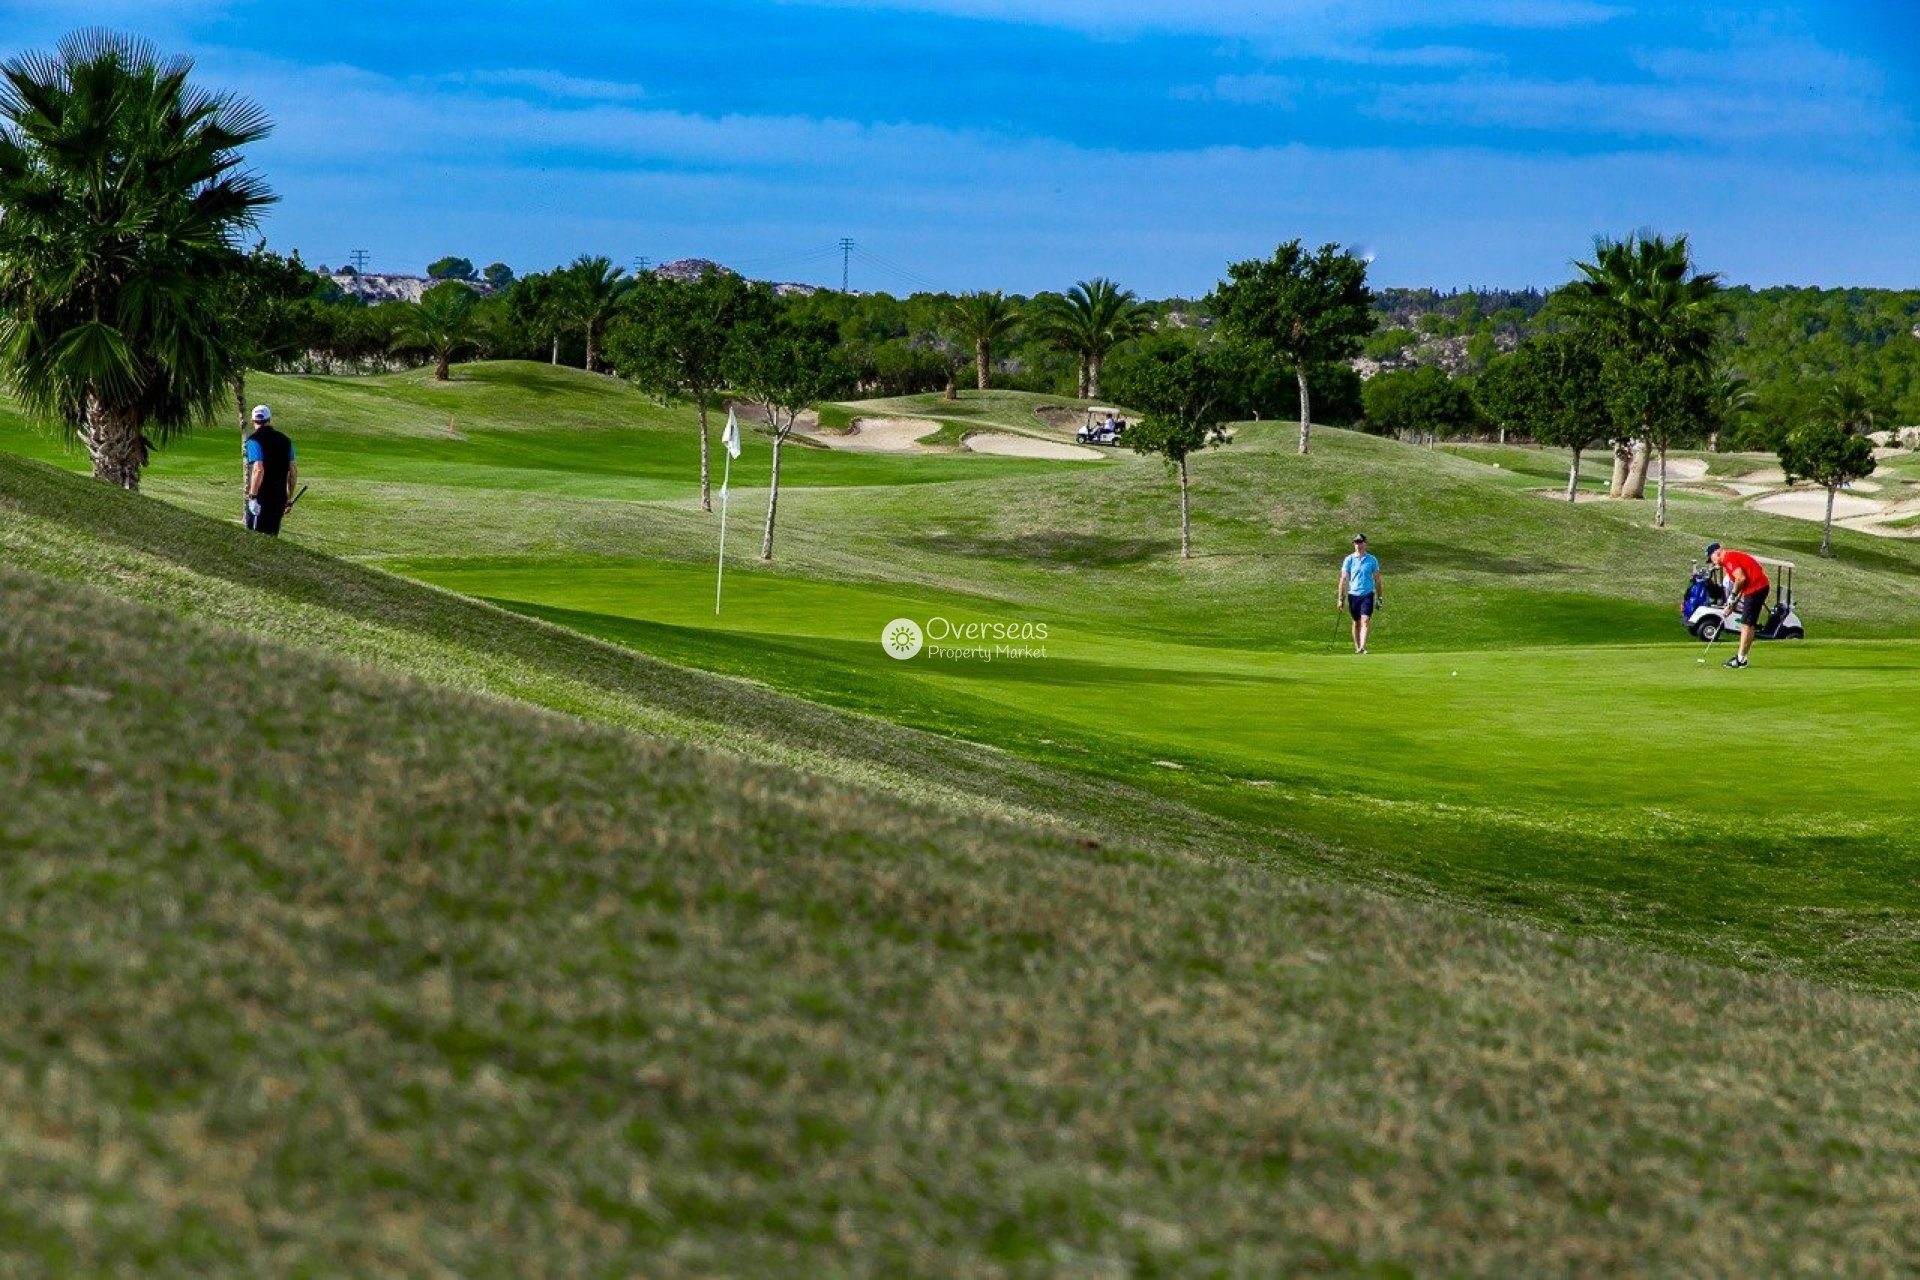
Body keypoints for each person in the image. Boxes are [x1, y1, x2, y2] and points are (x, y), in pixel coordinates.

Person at [1707, 541, 1768, 669]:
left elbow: (1741, 579)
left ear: (1716, 553)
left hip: (1756, 588)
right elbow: (1741, 583)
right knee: (1748, 624)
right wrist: (1731, 604)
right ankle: (1742, 658)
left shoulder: (1728, 558)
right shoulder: (1729, 561)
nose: (1712, 562)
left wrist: (1733, 596)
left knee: (1746, 624)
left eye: (1711, 559)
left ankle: (1741, 659)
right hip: (1756, 588)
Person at [243, 404, 297, 536]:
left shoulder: (253, 440)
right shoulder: (286, 441)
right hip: (278, 499)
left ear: (253, 421)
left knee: (255, 541)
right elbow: (293, 472)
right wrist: (288, 498)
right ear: (269, 420)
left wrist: (253, 497)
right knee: (272, 539)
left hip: (261, 499)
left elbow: (258, 470)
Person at [1337, 533, 1383, 653]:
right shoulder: (1349, 559)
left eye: (1360, 542)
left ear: (1365, 543)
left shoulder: (1372, 560)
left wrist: (1380, 597)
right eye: (1356, 542)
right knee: (1356, 622)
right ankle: (1357, 648)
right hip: (1353, 595)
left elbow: (1377, 579)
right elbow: (1344, 579)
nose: (1358, 545)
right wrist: (1341, 598)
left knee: (1365, 620)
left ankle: (1363, 647)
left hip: (1367, 594)